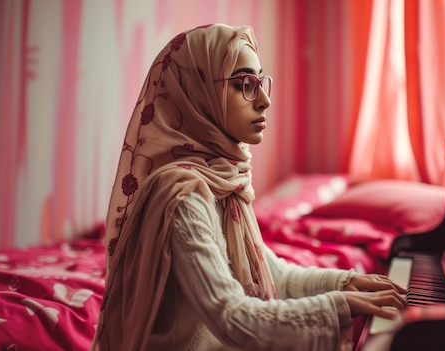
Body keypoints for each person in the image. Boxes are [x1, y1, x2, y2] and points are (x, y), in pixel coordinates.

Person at [92, 23, 407, 351]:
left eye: (261, 82)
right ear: (198, 94)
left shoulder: (223, 180)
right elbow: (232, 316)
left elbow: (277, 276)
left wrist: (347, 282)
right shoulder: (182, 195)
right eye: (244, 84)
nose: (265, 100)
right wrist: (340, 305)